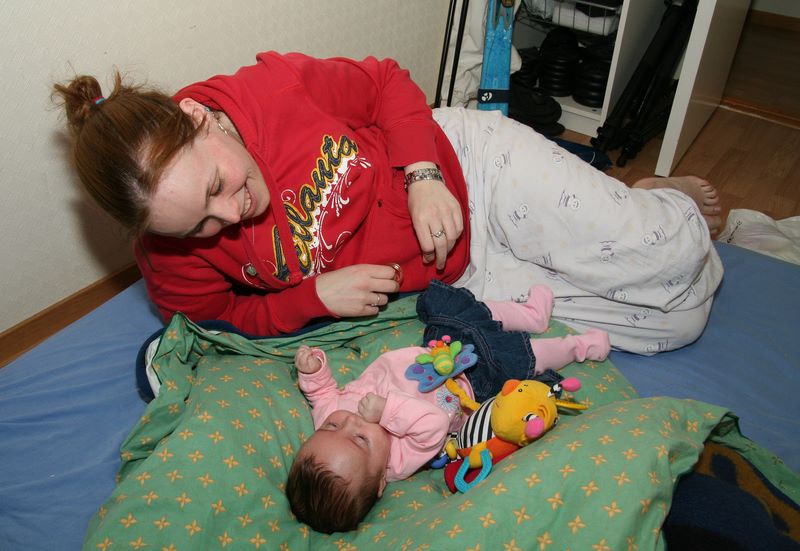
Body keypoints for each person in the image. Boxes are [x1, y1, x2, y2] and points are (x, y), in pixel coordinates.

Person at [53, 51, 723, 354]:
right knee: (675, 324)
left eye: (214, 188)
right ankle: (625, 205)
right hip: (457, 273)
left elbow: (384, 83)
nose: (228, 216)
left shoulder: (272, 90)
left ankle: (661, 203)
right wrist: (310, 298)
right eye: (199, 225)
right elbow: (219, 317)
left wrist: (422, 173)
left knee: (669, 255)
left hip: (467, 166)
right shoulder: (169, 250)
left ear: (198, 117)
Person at [285, 281, 610, 533]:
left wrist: (312, 371)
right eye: (360, 439)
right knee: (515, 357)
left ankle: (529, 316)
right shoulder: (399, 459)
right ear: (381, 480)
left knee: (444, 303)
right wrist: (385, 411)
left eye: (332, 426)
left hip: (435, 356)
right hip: (471, 384)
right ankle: (577, 347)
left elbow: (322, 394)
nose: (349, 422)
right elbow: (434, 424)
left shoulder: (329, 417)